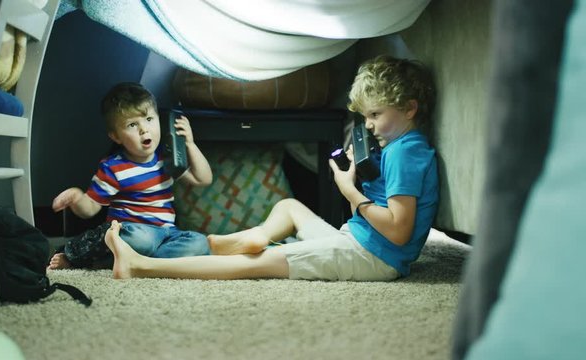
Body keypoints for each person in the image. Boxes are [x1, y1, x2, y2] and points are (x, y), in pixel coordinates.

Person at [103, 55, 439, 281]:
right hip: (360, 240)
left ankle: (142, 266)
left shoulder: (404, 154)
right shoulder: (400, 148)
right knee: (289, 207)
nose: (369, 126)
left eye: (376, 115)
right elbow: (381, 213)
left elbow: (398, 231)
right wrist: (356, 178)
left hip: (374, 257)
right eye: (366, 116)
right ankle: (253, 237)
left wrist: (350, 190)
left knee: (258, 265)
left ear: (410, 109)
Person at [48, 82, 213, 270]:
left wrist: (189, 144)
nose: (144, 129)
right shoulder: (114, 167)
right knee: (141, 240)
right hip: (133, 232)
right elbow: (90, 209)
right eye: (133, 124)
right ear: (116, 137)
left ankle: (131, 261)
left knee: (199, 243)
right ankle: (76, 255)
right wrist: (77, 197)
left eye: (150, 119)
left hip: (166, 234)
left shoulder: (167, 159)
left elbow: (203, 179)